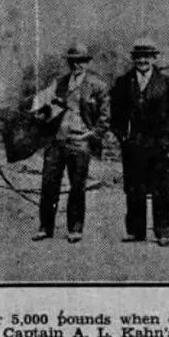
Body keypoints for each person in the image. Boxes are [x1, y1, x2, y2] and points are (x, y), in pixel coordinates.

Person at [31, 43, 110, 244]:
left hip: (79, 142)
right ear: (69, 63)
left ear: (88, 62)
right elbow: (40, 103)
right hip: (57, 141)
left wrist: (91, 134)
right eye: (73, 61)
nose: (77, 65)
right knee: (49, 184)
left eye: (82, 61)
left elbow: (106, 116)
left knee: (77, 186)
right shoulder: (58, 83)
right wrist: (41, 113)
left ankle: (75, 228)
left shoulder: (97, 85)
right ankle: (45, 227)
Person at [110, 38, 169, 247]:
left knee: (163, 189)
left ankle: (163, 231)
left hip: (161, 145)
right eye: (139, 56)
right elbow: (115, 113)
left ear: (154, 58)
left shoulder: (168, 82)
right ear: (133, 59)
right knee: (135, 189)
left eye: (147, 56)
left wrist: (168, 138)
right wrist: (122, 136)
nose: (143, 60)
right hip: (134, 145)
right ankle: (135, 231)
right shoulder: (123, 82)